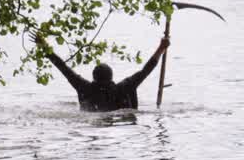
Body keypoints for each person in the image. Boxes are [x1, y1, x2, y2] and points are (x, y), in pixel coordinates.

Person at [38, 34, 170, 111]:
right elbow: (146, 70)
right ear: (111, 77)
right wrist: (161, 48)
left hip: (91, 116)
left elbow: (64, 68)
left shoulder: (84, 88)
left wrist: (44, 47)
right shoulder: (125, 87)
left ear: (94, 77)